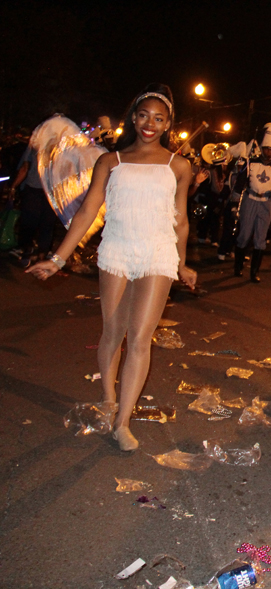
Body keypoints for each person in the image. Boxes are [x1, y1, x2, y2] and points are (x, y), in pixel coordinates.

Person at [26, 83, 197, 452]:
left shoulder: (178, 166)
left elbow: (180, 220)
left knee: (139, 338)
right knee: (113, 332)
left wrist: (183, 263)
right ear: (133, 117)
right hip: (117, 250)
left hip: (157, 252)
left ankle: (123, 421)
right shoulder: (110, 162)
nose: (150, 124)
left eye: (159, 118)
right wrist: (57, 259)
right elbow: (87, 212)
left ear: (168, 124)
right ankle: (108, 399)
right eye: (143, 115)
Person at [233, 123, 271, 282]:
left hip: (265, 204)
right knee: (244, 235)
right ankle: (238, 267)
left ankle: (254, 272)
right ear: (262, 149)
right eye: (267, 149)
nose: (269, 152)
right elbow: (239, 185)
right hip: (250, 200)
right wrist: (235, 205)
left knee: (261, 239)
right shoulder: (250, 163)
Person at [8, 126, 57, 268]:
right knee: (47, 224)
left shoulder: (35, 144)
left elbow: (25, 167)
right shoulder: (62, 148)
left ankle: (27, 251)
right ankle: (42, 255)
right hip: (51, 192)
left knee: (29, 222)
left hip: (34, 189)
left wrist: (13, 186)